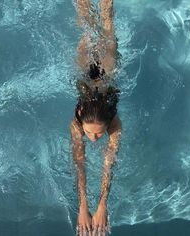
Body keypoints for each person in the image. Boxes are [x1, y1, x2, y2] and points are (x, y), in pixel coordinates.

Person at [70, 0, 121, 235]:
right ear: (80, 117)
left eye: (98, 133)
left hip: (86, 69)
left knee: (89, 29)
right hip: (108, 69)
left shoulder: (114, 124)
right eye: (90, 132)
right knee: (106, 30)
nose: (93, 138)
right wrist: (83, 207)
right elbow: (79, 164)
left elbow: (109, 163)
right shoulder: (78, 124)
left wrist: (102, 205)